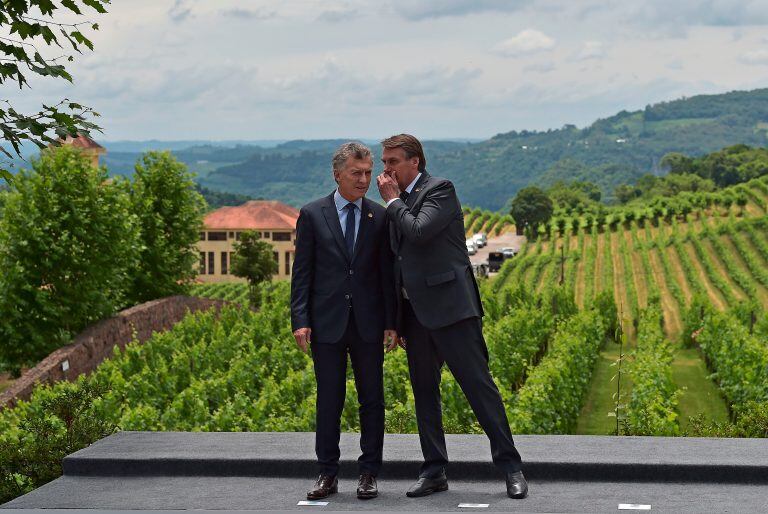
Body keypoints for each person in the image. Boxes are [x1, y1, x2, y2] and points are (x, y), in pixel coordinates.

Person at [375, 134, 527, 499]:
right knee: (424, 394)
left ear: (415, 162)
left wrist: (393, 201)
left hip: (452, 311)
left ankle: (511, 468)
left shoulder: (439, 190)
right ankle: (434, 470)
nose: (386, 170)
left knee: (479, 388)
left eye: (392, 161)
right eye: (384, 162)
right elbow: (395, 264)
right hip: (414, 314)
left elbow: (419, 231)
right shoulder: (397, 202)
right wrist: (394, 320)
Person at [290, 141, 397, 501]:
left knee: (372, 400)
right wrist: (300, 319)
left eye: (368, 172)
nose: (364, 179)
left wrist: (391, 322)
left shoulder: (380, 217)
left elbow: (387, 276)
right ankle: (327, 473)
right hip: (326, 323)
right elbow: (301, 273)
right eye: (356, 173)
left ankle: (369, 473)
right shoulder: (312, 214)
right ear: (337, 174)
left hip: (369, 323)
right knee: (329, 399)